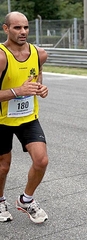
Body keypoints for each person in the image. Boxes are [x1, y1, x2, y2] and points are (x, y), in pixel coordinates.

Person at [0, 11, 49, 223]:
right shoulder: (1, 57)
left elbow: (36, 80)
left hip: (28, 117)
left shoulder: (39, 53)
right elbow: (19, 89)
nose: (23, 32)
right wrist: (17, 91)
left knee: (41, 160)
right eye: (17, 27)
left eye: (26, 27)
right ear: (6, 29)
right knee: (3, 166)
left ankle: (26, 200)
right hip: (1, 120)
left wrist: (41, 88)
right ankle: (0, 200)